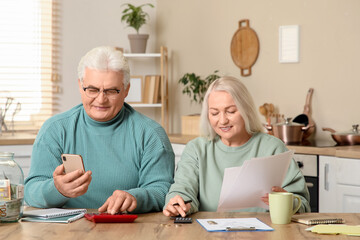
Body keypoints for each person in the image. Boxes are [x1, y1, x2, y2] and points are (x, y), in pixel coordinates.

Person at [24, 46, 174, 214]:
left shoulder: (151, 135)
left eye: (111, 91)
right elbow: (30, 192)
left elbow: (163, 190)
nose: (101, 100)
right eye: (92, 90)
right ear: (80, 86)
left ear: (126, 90)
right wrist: (56, 189)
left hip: (128, 229)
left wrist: (135, 197)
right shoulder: (55, 130)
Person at [163, 76, 310, 217]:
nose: (222, 120)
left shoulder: (273, 148)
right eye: (214, 113)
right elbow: (182, 189)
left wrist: (285, 202)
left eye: (231, 111)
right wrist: (180, 204)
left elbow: (302, 204)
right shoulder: (196, 149)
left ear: (246, 110)